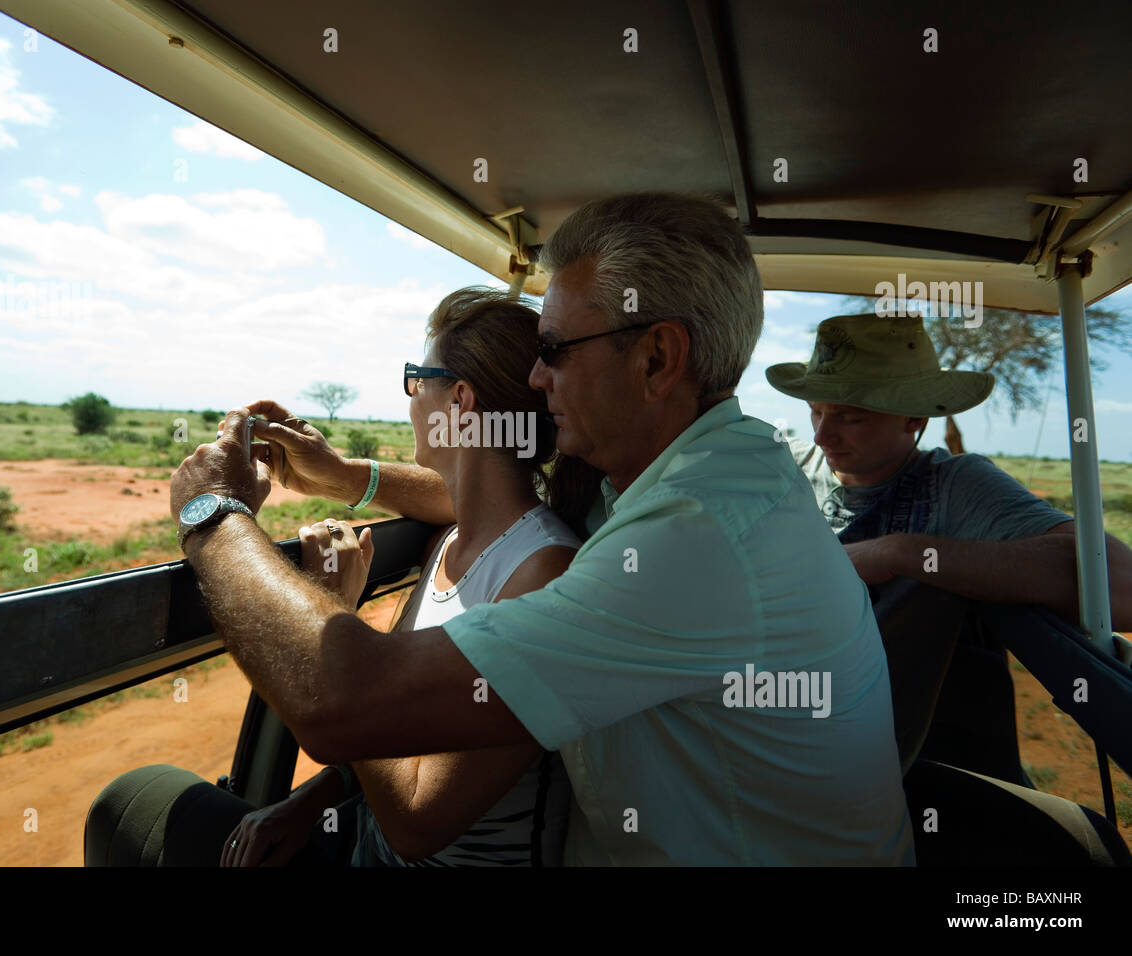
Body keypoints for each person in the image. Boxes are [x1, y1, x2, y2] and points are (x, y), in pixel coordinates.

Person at [110, 192, 914, 865]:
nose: (538, 375)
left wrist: (213, 513)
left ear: (658, 359)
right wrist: (351, 478)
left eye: (558, 349)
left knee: (133, 813)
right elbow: (494, 503)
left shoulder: (690, 538)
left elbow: (344, 702)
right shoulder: (683, 484)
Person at [222, 288, 581, 867]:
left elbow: (417, 821)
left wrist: (335, 608)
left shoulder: (541, 576)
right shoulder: (451, 540)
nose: (410, 398)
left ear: (461, 401)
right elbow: (409, 731)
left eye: (417, 378)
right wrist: (314, 798)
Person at [765, 312, 1132, 865]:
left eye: (850, 416)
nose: (822, 434)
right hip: (770, 735)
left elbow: (1120, 585)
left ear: (913, 416)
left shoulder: (954, 486)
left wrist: (902, 554)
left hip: (909, 753)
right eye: (815, 410)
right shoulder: (783, 467)